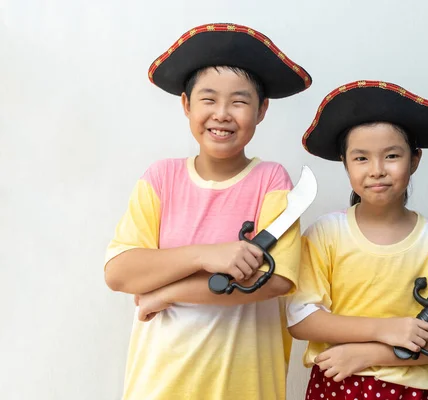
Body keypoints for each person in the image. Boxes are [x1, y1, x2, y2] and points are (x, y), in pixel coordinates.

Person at [103, 23, 312, 400]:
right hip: (161, 381)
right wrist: (207, 255)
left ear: (262, 110)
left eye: (240, 101)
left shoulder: (271, 181)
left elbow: (276, 280)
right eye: (208, 99)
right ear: (186, 104)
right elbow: (120, 272)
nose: (222, 114)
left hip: (246, 384)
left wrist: (167, 293)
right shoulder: (161, 178)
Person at [287, 80, 428, 400]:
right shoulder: (325, 234)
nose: (376, 170)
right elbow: (301, 319)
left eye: (391, 156)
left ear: (414, 160)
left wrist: (370, 353)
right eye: (361, 158)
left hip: (420, 392)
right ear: (345, 163)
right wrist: (383, 330)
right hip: (339, 387)